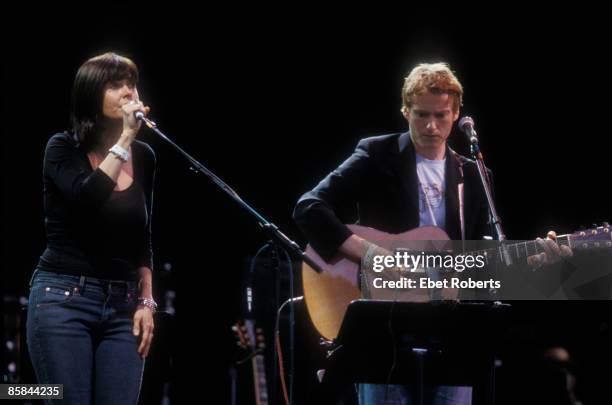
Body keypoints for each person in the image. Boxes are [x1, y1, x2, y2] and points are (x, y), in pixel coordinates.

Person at [293, 62, 569, 404]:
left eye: (441, 116)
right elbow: (309, 207)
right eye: (421, 114)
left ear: (456, 113)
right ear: (404, 109)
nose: (431, 126)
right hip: (384, 329)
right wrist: (369, 252)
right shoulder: (376, 154)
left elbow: (483, 259)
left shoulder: (474, 174)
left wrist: (532, 260)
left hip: (448, 333)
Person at [26, 52, 157, 405]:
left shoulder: (144, 156)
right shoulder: (61, 148)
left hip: (123, 307)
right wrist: (126, 139)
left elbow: (141, 238)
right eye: (115, 85)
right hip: (63, 298)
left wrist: (147, 299)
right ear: (90, 95)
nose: (129, 92)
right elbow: (87, 198)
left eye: (131, 83)